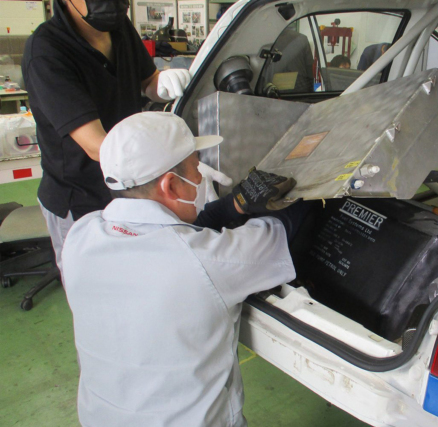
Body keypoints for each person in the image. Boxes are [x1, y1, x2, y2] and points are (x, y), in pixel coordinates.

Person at [62, 112, 307, 426]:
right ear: (170, 184)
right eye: (196, 167)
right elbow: (280, 231)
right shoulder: (206, 263)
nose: (201, 178)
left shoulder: (81, 235)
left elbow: (176, 237)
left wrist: (234, 204)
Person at [22, 0, 192, 271]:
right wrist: (174, 159)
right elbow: (96, 146)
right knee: (94, 282)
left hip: (127, 189)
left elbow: (148, 81)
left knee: (135, 273)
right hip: (80, 196)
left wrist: (162, 84)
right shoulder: (46, 51)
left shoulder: (120, 28)